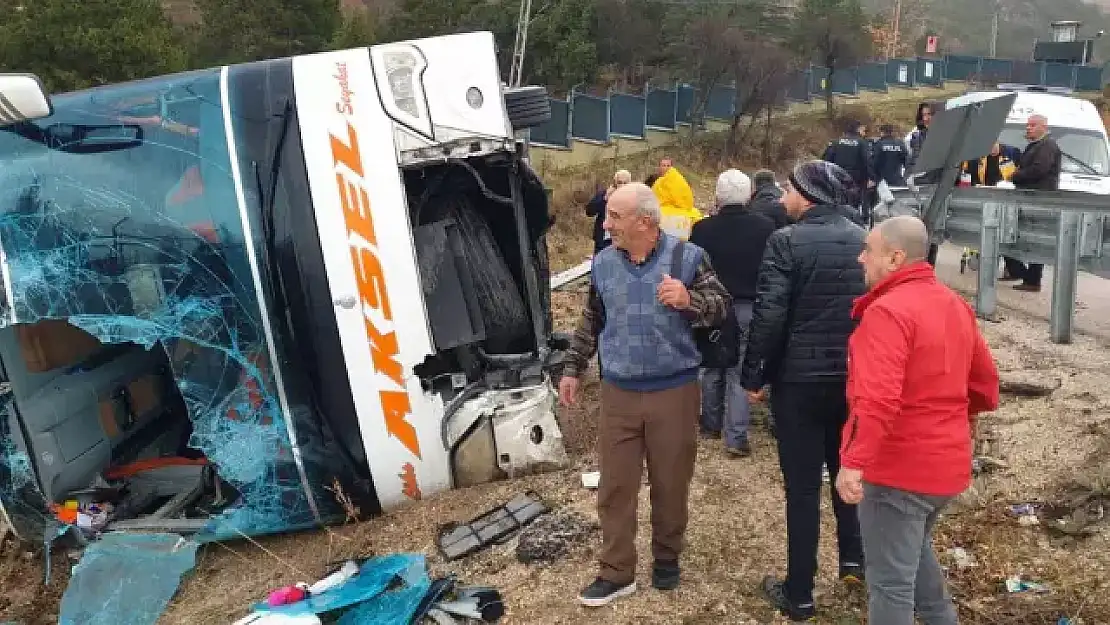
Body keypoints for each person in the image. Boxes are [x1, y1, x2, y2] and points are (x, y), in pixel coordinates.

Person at [559, 182, 730, 607]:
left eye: (615, 216)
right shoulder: (601, 264)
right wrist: (573, 369)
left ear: (645, 221)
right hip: (618, 392)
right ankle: (617, 571)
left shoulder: (688, 257)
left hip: (674, 390)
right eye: (608, 215)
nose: (605, 223)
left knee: (671, 482)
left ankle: (667, 557)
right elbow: (591, 319)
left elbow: (722, 304)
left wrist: (689, 299)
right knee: (615, 486)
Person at [837, 215, 1000, 625]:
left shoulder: (887, 313)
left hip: (900, 471)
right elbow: (984, 383)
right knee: (915, 555)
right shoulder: (953, 304)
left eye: (867, 251)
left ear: (895, 258)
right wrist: (963, 424)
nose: (860, 259)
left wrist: (854, 462)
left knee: (891, 586)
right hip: (946, 466)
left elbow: (875, 399)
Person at [741, 161, 867, 621]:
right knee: (847, 473)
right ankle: (854, 561)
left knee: (801, 488)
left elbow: (769, 315)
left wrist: (754, 375)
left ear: (808, 195)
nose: (782, 197)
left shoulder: (786, 242)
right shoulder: (862, 238)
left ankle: (800, 593)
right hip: (853, 380)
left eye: (790, 189)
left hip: (798, 383)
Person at [689, 170, 775, 457]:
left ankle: (710, 424)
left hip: (711, 306)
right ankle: (736, 437)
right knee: (739, 370)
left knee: (712, 364)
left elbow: (693, 270)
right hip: (748, 307)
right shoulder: (765, 226)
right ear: (749, 195)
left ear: (718, 197)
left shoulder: (702, 229)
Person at [1004, 114, 1062, 293]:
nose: (1028, 128)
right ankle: (1022, 274)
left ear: (1043, 127)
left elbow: (1039, 169)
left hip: (1039, 199)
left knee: (1035, 239)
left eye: (1032, 125)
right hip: (1028, 197)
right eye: (1027, 125)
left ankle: (1031, 279)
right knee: (1013, 234)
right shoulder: (1036, 145)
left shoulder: (1047, 145)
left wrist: (1015, 176)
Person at [822, 119, 876, 216]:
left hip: (836, 177)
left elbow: (825, 159)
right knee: (853, 203)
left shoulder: (836, 142)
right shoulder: (862, 143)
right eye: (863, 130)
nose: (864, 133)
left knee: (838, 201)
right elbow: (867, 161)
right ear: (858, 129)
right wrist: (871, 177)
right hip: (855, 179)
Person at [651, 157, 702, 240]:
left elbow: (685, 198)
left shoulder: (678, 179)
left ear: (672, 167)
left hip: (677, 209)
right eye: (663, 165)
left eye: (668, 165)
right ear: (659, 167)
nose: (666, 168)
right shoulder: (656, 182)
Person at [585, 170, 632, 255]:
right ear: (614, 183)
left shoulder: (633, 198)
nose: (622, 186)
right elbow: (589, 211)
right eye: (619, 182)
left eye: (625, 183)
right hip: (603, 241)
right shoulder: (605, 194)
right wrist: (604, 198)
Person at [873, 124, 910, 188]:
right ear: (892, 132)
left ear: (882, 132)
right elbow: (907, 163)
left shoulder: (878, 144)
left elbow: (874, 163)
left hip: (882, 182)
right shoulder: (900, 143)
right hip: (897, 180)